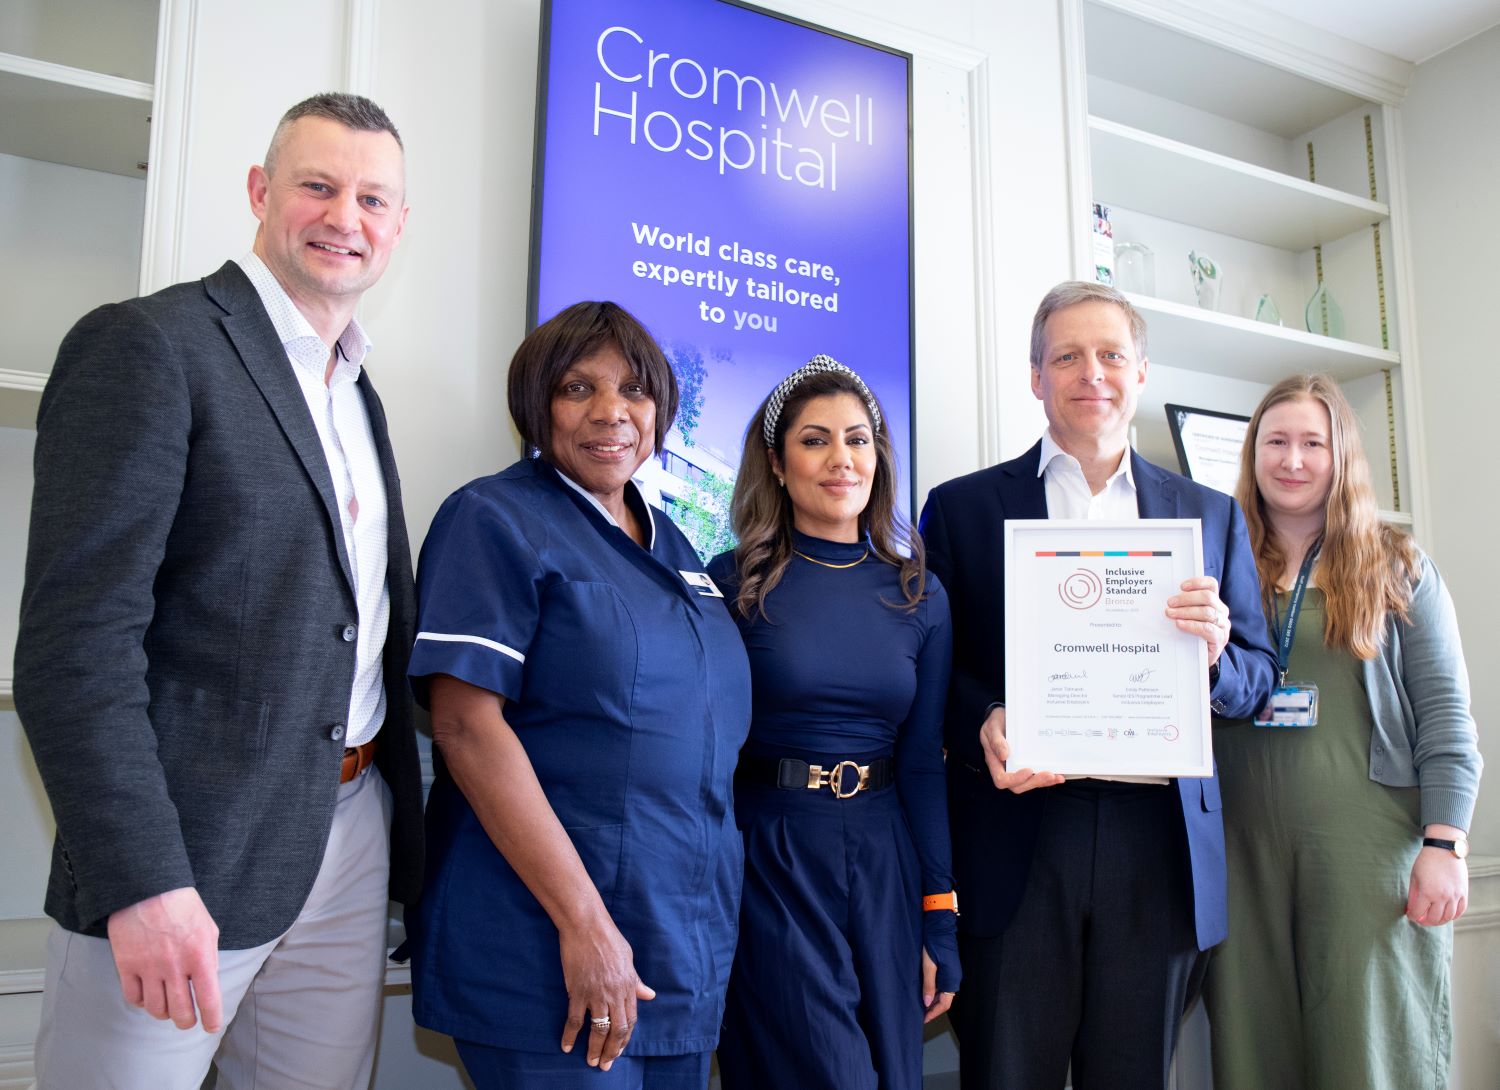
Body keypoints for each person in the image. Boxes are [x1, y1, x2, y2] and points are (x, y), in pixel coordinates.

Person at [13, 93, 424, 1089]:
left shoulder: (355, 390)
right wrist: (142, 880)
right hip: (184, 856)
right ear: (259, 191)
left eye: (373, 199)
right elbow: (75, 649)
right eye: (318, 186)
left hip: (349, 834)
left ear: (398, 224)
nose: (345, 217)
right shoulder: (149, 346)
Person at [919, 281, 1278, 1090]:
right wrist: (983, 716)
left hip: (1159, 844)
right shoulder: (962, 508)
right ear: (1035, 377)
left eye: (1111, 354)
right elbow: (924, 668)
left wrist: (1213, 655)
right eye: (1067, 357)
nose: (1092, 373)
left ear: (1141, 372)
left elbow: (1257, 678)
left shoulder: (1210, 515)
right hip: (1017, 836)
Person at [403, 301, 751, 1088]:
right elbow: (464, 727)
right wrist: (585, 926)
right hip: (547, 942)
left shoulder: (674, 543)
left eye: (634, 390)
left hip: (674, 946)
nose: (611, 412)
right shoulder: (493, 518)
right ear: (536, 405)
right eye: (577, 388)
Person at [1203, 374, 1482, 1089]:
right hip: (1239, 850)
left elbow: (1447, 716)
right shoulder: (1217, 565)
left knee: (1370, 1048)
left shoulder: (1397, 566)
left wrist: (1445, 842)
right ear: (1252, 453)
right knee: (1253, 1048)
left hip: (1368, 847)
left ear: (1342, 456)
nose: (1292, 460)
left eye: (1313, 444)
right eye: (1276, 442)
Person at [707, 356, 960, 1090]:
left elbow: (923, 763)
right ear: (777, 463)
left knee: (892, 1073)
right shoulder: (733, 583)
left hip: (885, 856)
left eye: (857, 439)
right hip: (771, 856)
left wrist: (938, 914)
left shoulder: (920, 594)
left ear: (879, 458)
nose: (841, 459)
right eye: (814, 440)